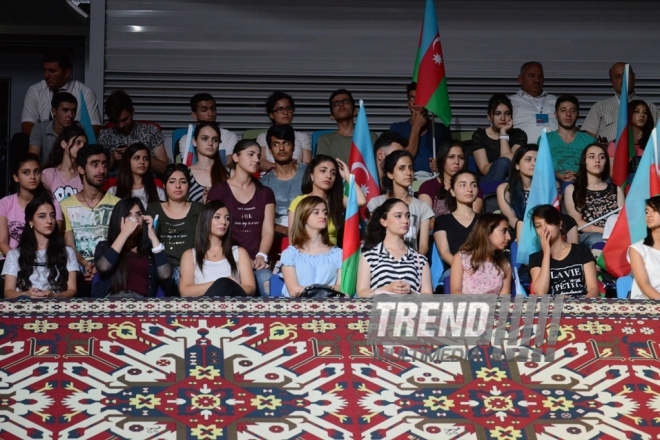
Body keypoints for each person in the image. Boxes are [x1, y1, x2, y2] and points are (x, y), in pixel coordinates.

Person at [207, 139, 275, 297]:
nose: (257, 160)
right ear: (236, 158)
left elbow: (268, 231)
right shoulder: (219, 190)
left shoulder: (265, 192)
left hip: (256, 260)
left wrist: (261, 256)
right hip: (226, 258)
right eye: (250, 155)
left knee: (267, 280)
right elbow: (210, 227)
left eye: (258, 156)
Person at [60, 144, 120, 283]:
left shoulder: (118, 204)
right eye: (95, 164)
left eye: (105, 164)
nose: (101, 170)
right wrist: (85, 264)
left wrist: (100, 267)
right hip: (77, 269)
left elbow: (118, 243)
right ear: (81, 169)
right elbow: (69, 245)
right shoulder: (65, 205)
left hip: (109, 269)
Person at [497, 145, 578, 243]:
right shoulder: (505, 188)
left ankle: (572, 255)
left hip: (543, 228)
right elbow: (510, 217)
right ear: (517, 165)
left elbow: (550, 213)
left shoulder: (548, 186)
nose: (534, 164)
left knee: (568, 221)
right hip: (517, 230)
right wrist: (525, 230)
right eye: (528, 160)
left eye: (537, 160)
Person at [92, 197, 171, 298]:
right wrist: (124, 233)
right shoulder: (105, 246)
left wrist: (153, 236)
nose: (134, 219)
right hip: (113, 302)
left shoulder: (149, 251)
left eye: (138, 214)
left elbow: (165, 274)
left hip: (141, 304)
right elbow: (103, 267)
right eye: (128, 215)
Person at [2, 196, 78, 299]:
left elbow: (72, 290)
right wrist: (27, 294)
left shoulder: (68, 252)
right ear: (31, 221)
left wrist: (54, 295)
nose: (49, 221)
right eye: (42, 216)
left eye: (52, 216)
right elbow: (8, 292)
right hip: (24, 309)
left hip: (56, 308)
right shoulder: (15, 254)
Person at [356, 198, 432, 297]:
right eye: (398, 216)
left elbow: (428, 297)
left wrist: (411, 293)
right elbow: (362, 293)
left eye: (407, 216)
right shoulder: (369, 256)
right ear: (384, 221)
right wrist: (386, 289)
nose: (405, 221)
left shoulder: (420, 260)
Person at [179, 200, 256, 297]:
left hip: (233, 305)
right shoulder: (190, 255)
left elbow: (250, 288)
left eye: (227, 218)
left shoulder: (239, 252)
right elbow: (185, 291)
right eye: (217, 217)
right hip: (204, 308)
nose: (223, 222)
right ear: (206, 220)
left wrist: (230, 287)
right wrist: (221, 284)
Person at [147, 164, 203, 295]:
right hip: (162, 268)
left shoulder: (199, 208)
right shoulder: (154, 209)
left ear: (189, 186)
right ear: (164, 186)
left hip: (192, 269)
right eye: (172, 182)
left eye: (183, 182)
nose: (178, 186)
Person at [288, 154, 366, 245]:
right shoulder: (298, 202)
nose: (329, 176)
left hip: (333, 255)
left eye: (333, 173)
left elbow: (361, 201)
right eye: (323, 171)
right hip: (306, 255)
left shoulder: (337, 201)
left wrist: (347, 176)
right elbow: (293, 239)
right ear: (312, 175)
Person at [367, 150, 434, 255]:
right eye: (401, 168)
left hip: (411, 263)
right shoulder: (376, 203)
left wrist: (412, 264)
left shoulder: (422, 207)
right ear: (390, 174)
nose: (408, 173)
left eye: (410, 168)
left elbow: (423, 247)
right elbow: (372, 239)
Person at [21, 50, 101, 136]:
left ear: (66, 73)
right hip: (43, 146)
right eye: (45, 70)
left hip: (74, 145)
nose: (46, 76)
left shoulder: (85, 92)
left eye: (52, 71)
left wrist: (66, 141)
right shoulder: (35, 91)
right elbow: (27, 127)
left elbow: (94, 128)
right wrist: (50, 139)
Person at [0, 156, 63, 263]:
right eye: (26, 172)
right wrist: (18, 263)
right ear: (16, 177)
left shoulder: (52, 203)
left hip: (43, 261)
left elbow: (54, 238)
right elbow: (2, 242)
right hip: (11, 260)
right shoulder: (5, 203)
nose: (33, 177)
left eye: (37, 172)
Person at [529, 204, 599, 298]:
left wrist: (578, 306)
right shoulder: (535, 258)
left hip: (581, 305)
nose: (544, 229)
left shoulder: (581, 251)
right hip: (555, 308)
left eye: (549, 222)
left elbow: (593, 289)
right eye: (538, 226)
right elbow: (541, 292)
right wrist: (546, 253)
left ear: (560, 224)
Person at [280, 196, 342, 297]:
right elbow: (294, 290)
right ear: (303, 216)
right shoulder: (290, 254)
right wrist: (326, 289)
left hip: (328, 308)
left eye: (325, 212)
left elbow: (341, 287)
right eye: (316, 212)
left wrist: (313, 290)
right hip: (297, 308)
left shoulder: (338, 254)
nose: (323, 216)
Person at [564, 144, 624, 248]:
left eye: (601, 157)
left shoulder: (616, 190)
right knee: (599, 240)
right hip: (589, 235)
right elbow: (578, 223)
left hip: (615, 235)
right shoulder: (572, 189)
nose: (597, 160)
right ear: (584, 161)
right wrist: (607, 232)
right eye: (592, 157)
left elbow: (622, 219)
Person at [582, 62, 659, 143]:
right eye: (618, 76)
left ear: (634, 77)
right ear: (612, 82)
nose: (623, 79)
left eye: (626, 75)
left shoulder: (650, 107)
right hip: (607, 153)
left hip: (642, 154)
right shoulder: (599, 107)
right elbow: (586, 138)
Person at [98, 90, 169, 174]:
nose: (121, 125)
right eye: (116, 122)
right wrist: (113, 159)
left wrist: (141, 155)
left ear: (133, 111)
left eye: (124, 120)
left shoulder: (151, 131)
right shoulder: (105, 135)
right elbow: (97, 171)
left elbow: (165, 169)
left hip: (147, 182)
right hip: (116, 181)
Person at [390, 82, 452, 176]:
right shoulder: (397, 128)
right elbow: (401, 161)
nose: (415, 101)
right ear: (408, 104)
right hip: (407, 180)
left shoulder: (441, 130)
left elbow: (452, 162)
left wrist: (441, 166)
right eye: (412, 97)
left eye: (419, 97)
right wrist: (416, 127)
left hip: (434, 180)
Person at [418, 139, 484, 222]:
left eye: (461, 158)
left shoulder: (472, 187)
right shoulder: (428, 187)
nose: (456, 162)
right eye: (451, 157)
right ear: (442, 160)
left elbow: (471, 220)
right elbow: (428, 224)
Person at [260, 124, 306, 236]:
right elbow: (262, 219)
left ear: (294, 147)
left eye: (286, 143)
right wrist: (286, 231)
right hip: (275, 235)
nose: (281, 148)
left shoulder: (308, 173)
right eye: (276, 144)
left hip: (306, 230)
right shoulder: (263, 183)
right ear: (270, 150)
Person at [450, 213, 512, 296]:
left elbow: (504, 300)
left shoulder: (504, 266)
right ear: (488, 231)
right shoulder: (461, 258)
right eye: (503, 231)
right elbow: (455, 292)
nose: (508, 237)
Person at [472, 94, 527, 182]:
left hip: (511, 179)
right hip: (488, 181)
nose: (503, 118)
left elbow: (510, 165)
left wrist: (503, 133)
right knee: (504, 163)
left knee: (508, 178)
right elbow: (484, 169)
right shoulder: (480, 135)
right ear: (489, 116)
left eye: (507, 114)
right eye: (497, 114)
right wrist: (502, 161)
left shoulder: (519, 135)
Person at [540, 95, 596, 182]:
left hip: (582, 186)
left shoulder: (589, 141)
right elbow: (540, 167)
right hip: (552, 186)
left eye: (572, 111)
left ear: (578, 114)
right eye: (563, 110)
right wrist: (558, 175)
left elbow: (596, 168)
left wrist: (578, 176)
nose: (568, 114)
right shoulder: (545, 139)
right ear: (556, 114)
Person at [433, 171, 480, 273]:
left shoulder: (484, 220)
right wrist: (465, 268)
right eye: (463, 185)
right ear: (452, 192)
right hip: (454, 270)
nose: (469, 189)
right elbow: (444, 253)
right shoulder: (442, 221)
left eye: (474, 185)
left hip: (482, 269)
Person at [316, 89, 377, 164]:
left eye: (345, 101)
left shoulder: (370, 137)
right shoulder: (325, 140)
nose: (341, 104)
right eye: (336, 103)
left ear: (354, 111)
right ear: (332, 116)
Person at [178, 93, 238, 166]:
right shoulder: (186, 140)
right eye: (204, 110)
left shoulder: (229, 136)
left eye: (213, 109)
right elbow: (188, 167)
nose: (210, 114)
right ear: (194, 115)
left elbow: (230, 164)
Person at [256, 91, 312, 170]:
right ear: (271, 115)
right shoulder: (263, 137)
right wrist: (285, 166)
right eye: (280, 109)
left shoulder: (302, 137)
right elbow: (260, 162)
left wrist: (295, 167)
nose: (285, 112)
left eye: (288, 108)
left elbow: (307, 164)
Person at [508, 62, 558, 142]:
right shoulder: (510, 102)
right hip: (525, 152)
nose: (537, 80)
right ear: (520, 79)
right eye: (532, 76)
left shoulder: (555, 101)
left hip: (558, 151)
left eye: (540, 76)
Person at [27, 92, 78, 163]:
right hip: (46, 172)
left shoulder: (79, 129)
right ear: (54, 111)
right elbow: (32, 160)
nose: (71, 115)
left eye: (73, 111)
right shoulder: (40, 128)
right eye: (65, 110)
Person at [607, 100, 654, 173]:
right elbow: (613, 175)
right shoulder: (615, 145)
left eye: (645, 113)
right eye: (636, 111)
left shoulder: (654, 143)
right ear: (629, 114)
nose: (642, 115)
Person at [41, 126, 87, 201]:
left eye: (84, 144)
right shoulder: (48, 175)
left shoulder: (84, 175)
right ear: (63, 144)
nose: (82, 147)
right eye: (78, 143)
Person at [188, 122, 229, 203]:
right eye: (204, 138)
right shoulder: (186, 173)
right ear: (194, 142)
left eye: (215, 140)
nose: (210, 143)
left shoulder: (229, 173)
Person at [628, 196, 660, 299]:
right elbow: (644, 285)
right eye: (647, 212)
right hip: (647, 303)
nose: (649, 215)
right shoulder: (637, 249)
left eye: (654, 210)